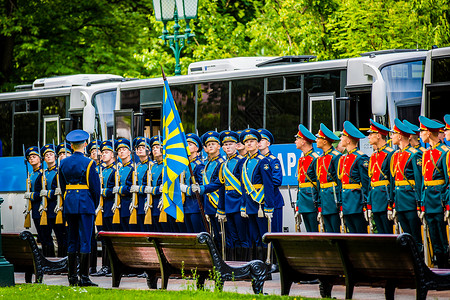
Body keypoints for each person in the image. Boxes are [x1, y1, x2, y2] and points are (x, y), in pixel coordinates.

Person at [59, 129, 100, 286]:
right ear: (85, 144)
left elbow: (63, 186)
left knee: (71, 240)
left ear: (70, 145)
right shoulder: (89, 162)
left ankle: (71, 278)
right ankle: (84, 278)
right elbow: (95, 188)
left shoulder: (63, 163)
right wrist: (93, 205)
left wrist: (68, 199)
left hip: (69, 204)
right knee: (85, 241)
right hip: (85, 204)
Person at [239, 129, 274, 261]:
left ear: (258, 143)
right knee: (254, 236)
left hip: (261, 204)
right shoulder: (244, 162)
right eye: (246, 142)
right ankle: (257, 264)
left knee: (264, 236)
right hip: (250, 204)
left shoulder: (263, 161)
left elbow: (268, 185)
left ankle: (267, 265)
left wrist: (269, 206)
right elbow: (243, 187)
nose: (249, 144)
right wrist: (243, 205)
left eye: (252, 141)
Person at [419, 116, 450, 268]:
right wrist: (423, 204)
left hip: (439, 199)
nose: (420, 134)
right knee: (433, 236)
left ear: (429, 133)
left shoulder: (445, 152)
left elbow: (448, 180)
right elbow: (425, 182)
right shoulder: (426, 153)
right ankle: (439, 268)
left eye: (422, 131)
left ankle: (445, 268)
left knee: (442, 237)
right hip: (429, 199)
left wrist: (447, 204)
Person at [389, 119, 423, 248]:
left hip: (410, 200)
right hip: (400, 200)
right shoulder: (395, 155)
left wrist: (419, 203)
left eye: (393, 134)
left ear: (400, 136)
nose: (391, 137)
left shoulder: (414, 154)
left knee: (415, 238)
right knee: (405, 239)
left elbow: (419, 181)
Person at [216, 130, 248, 260]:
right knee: (232, 236)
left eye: (230, 144)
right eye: (225, 145)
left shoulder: (242, 161)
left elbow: (245, 186)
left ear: (237, 145)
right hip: (228, 204)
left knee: (243, 236)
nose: (227, 147)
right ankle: (234, 265)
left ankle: (245, 265)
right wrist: (221, 208)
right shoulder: (224, 164)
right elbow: (221, 187)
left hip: (239, 202)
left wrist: (243, 205)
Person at [191, 131, 224, 248]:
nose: (210, 146)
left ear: (219, 146)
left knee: (223, 236)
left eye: (213, 144)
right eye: (208, 144)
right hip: (208, 204)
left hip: (218, 203)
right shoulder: (207, 164)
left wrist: (201, 188)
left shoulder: (221, 163)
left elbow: (220, 185)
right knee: (213, 236)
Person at [337, 121, 370, 233]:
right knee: (351, 234)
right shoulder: (344, 158)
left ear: (348, 140)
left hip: (357, 202)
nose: (340, 138)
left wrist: (366, 204)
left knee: (360, 234)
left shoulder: (361, 158)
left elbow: (366, 183)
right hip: (347, 201)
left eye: (343, 136)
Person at [91, 139, 116, 277]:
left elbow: (113, 189)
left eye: (106, 152)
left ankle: (111, 266)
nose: (103, 155)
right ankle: (105, 266)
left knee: (110, 238)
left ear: (112, 155)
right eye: (103, 152)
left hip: (111, 208)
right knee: (103, 238)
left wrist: (105, 191)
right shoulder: (101, 170)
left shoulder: (114, 170)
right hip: (101, 209)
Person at [367, 119, 395, 234]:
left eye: (371, 134)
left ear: (378, 135)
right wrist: (369, 204)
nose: (368, 137)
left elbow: (392, 181)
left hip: (385, 199)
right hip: (376, 199)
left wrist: (391, 205)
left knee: (387, 234)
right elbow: (370, 181)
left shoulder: (390, 154)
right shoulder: (374, 155)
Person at [40, 144, 68, 257]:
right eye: (46, 155)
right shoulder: (44, 173)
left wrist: (50, 193)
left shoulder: (59, 171)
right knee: (47, 236)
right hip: (48, 209)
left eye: (51, 154)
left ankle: (63, 260)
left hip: (58, 208)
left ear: (55, 157)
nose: (49, 157)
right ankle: (50, 261)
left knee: (62, 236)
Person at [315, 124, 342, 233]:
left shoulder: (336, 156)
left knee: (335, 230)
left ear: (325, 141)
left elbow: (339, 181)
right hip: (324, 198)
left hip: (333, 197)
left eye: (318, 138)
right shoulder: (320, 158)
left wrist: (340, 202)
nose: (316, 140)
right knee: (327, 231)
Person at [258, 129, 284, 233]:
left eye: (262, 140)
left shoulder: (273, 160)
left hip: (273, 201)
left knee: (274, 232)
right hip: (260, 200)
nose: (259, 142)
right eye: (258, 140)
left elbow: (277, 181)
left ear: (268, 143)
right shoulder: (256, 160)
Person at [295, 124, 320, 232]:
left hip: (312, 199)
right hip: (304, 200)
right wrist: (298, 203)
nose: (295, 141)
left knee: (315, 230)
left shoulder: (315, 159)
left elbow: (319, 182)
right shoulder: (302, 159)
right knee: (308, 232)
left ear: (303, 141)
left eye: (297, 138)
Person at [24, 146, 48, 253]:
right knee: (41, 237)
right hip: (34, 209)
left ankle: (49, 258)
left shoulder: (42, 174)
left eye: (34, 156)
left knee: (46, 237)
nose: (31, 159)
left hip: (41, 208)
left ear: (39, 159)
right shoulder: (32, 175)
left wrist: (31, 195)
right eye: (30, 158)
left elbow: (42, 193)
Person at [181, 133, 205, 233]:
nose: (187, 146)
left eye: (190, 144)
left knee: (198, 234)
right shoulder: (184, 164)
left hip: (196, 205)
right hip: (186, 205)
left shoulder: (199, 165)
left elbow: (202, 186)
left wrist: (187, 189)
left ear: (196, 148)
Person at [145, 135, 168, 232]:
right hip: (153, 203)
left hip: (165, 203)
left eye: (158, 147)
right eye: (153, 148)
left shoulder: (167, 164)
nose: (155, 150)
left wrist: (154, 190)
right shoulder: (152, 166)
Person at [112, 138, 135, 231]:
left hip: (128, 203)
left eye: (124, 150)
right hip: (119, 204)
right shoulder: (119, 169)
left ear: (129, 152)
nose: (121, 152)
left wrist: (120, 190)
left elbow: (131, 187)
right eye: (119, 150)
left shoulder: (133, 168)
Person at [130, 137, 152, 232]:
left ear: (149, 151)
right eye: (138, 148)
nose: (140, 149)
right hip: (137, 202)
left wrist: (140, 189)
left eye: (143, 147)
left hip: (148, 201)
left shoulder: (152, 165)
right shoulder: (137, 167)